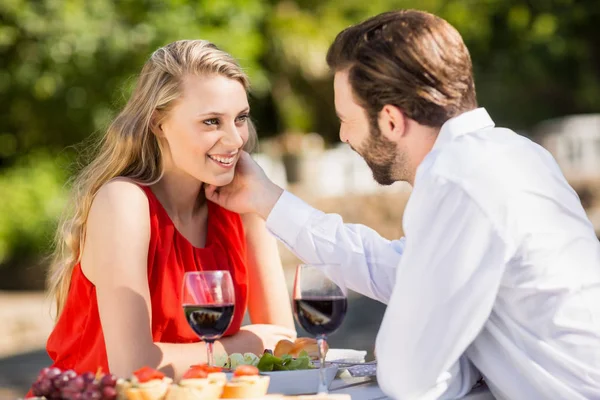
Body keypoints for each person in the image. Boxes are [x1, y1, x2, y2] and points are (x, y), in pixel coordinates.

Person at [205, 10, 600, 400]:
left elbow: (407, 378)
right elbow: (396, 270)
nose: (343, 135)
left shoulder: (459, 179)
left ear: (391, 121)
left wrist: (460, 365)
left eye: (346, 118)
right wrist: (268, 200)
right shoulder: (511, 155)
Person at [42, 40, 296, 380]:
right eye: (211, 122)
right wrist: (245, 343)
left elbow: (283, 343)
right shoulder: (124, 203)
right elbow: (133, 368)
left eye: (241, 118)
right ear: (159, 123)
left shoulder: (240, 204)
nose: (236, 139)